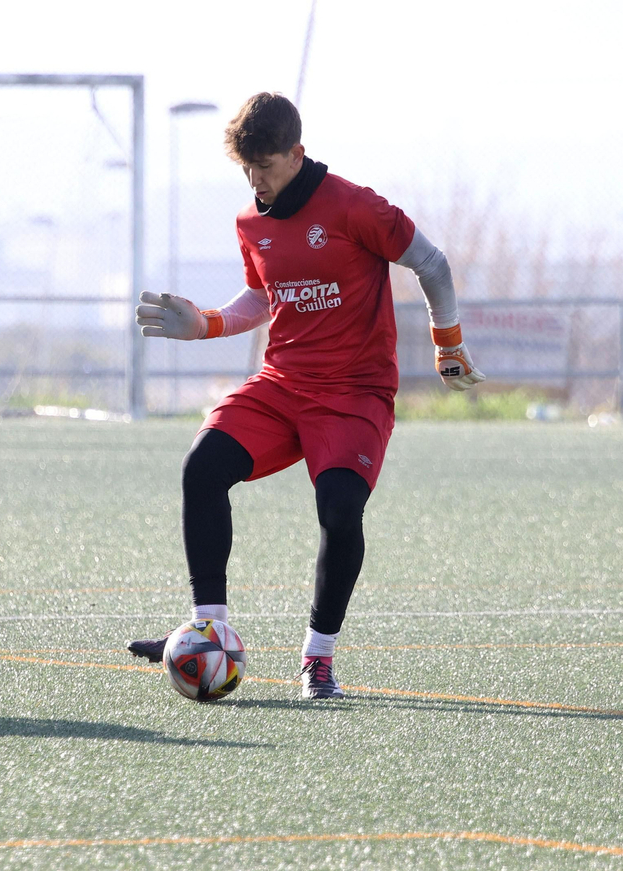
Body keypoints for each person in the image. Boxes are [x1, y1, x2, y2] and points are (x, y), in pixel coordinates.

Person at [124, 93, 483, 699]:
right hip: (282, 384)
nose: (255, 181)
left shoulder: (354, 205)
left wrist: (447, 342)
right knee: (202, 467)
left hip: (354, 393)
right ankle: (208, 626)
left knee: (340, 509)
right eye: (246, 169)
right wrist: (206, 324)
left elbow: (432, 263)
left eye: (264, 166)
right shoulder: (249, 222)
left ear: (297, 153)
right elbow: (262, 298)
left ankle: (318, 657)